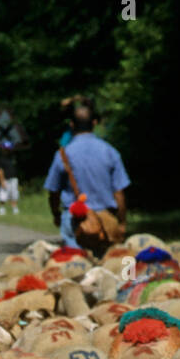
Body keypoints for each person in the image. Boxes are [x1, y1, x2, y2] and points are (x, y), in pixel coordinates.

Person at [44, 101, 129, 249]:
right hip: (105, 221)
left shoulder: (63, 155)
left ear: (71, 125)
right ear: (94, 123)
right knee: (106, 267)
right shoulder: (110, 152)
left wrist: (56, 214)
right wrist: (121, 222)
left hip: (75, 221)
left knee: (76, 266)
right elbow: (119, 193)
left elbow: (53, 191)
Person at [0, 140, 19, 215]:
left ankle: (15, 208)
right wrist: (2, 181)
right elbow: (0, 171)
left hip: (13, 179)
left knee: (14, 194)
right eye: (6, 149)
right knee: (3, 195)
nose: (7, 151)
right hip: (5, 179)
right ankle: (2, 209)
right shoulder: (1, 159)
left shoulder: (12, 158)